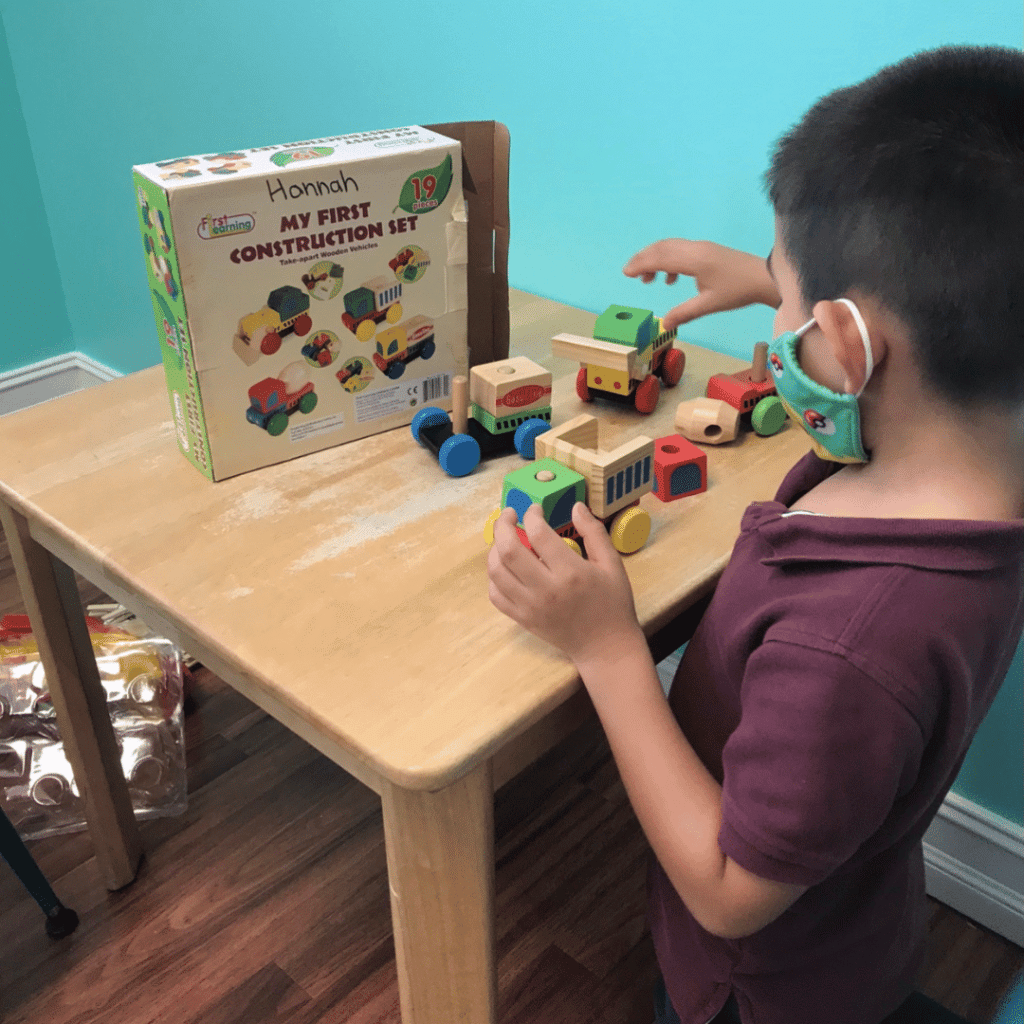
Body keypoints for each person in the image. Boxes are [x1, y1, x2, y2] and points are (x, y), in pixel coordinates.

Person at [487, 44, 1024, 1024]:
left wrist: (608, 649)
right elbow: (903, 353)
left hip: (761, 990)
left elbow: (729, 890)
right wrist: (766, 277)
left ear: (850, 346)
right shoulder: (973, 474)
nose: (774, 323)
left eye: (785, 301)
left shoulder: (849, 647)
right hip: (856, 919)